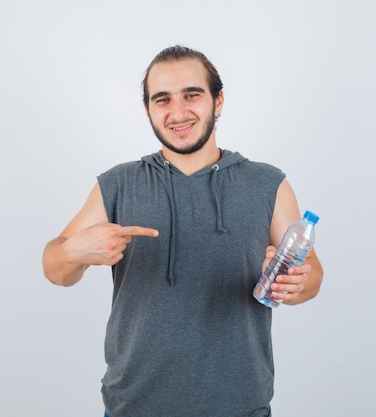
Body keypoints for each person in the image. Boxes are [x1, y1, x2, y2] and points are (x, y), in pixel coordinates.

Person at [42, 45, 323, 417]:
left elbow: (312, 272)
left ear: (218, 101)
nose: (177, 113)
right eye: (162, 100)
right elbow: (55, 267)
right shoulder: (118, 184)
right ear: (148, 111)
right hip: (133, 407)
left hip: (239, 408)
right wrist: (74, 252)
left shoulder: (267, 184)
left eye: (192, 95)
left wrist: (300, 284)